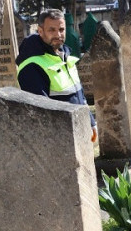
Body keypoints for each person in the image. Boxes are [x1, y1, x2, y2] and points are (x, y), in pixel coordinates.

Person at [16, 8, 96, 142]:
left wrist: (91, 122)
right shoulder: (32, 66)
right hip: (59, 140)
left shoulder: (65, 57)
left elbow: (80, 96)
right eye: (51, 30)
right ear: (40, 31)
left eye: (61, 29)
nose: (58, 34)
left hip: (79, 132)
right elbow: (41, 111)